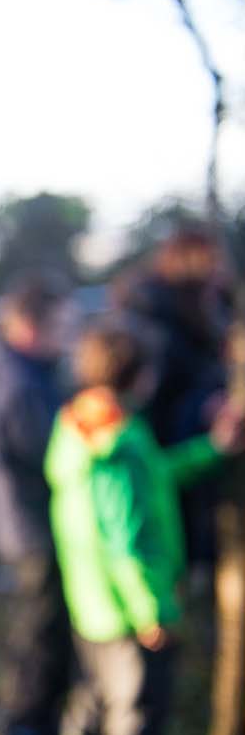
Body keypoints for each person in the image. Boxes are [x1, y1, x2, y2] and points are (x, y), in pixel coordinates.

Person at [46, 323, 243, 735]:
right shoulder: (120, 446)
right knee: (132, 718)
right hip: (127, 613)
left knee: (89, 704)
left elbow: (155, 477)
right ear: (141, 378)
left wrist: (213, 449)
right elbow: (125, 544)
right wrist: (152, 612)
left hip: (90, 603)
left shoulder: (82, 429)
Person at [0, 272, 75, 735]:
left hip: (30, 527)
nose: (68, 336)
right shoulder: (20, 381)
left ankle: (28, 733)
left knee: (39, 633)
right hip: (36, 530)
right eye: (61, 325)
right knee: (39, 636)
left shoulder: (23, 374)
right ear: (30, 327)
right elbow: (50, 455)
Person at [114, 225, 230, 573]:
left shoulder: (199, 307)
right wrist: (205, 404)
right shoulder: (156, 317)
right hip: (176, 457)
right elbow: (162, 392)